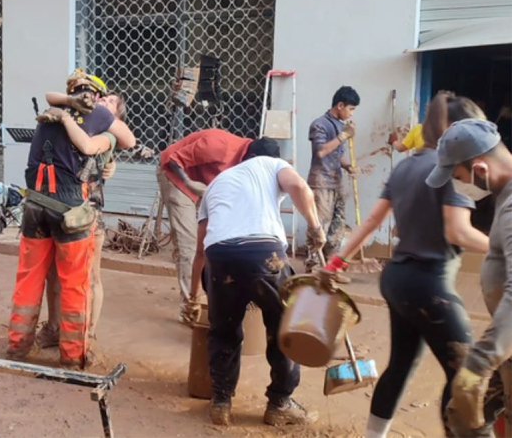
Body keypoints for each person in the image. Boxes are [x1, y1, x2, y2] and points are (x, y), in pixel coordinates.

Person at [321, 93, 492, 438]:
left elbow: (371, 221)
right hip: (430, 287)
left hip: (398, 280)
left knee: (401, 364)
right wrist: (500, 246)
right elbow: (457, 231)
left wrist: (335, 262)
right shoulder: (451, 169)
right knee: (464, 376)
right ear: (456, 131)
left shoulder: (406, 166)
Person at [188, 137, 325, 427]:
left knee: (223, 330)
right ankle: (279, 404)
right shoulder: (274, 164)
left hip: (220, 257)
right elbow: (300, 187)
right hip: (264, 254)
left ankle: (221, 403)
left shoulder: (218, 183)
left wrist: (192, 296)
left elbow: (200, 250)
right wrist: (315, 228)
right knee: (285, 327)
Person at [6, 71, 135, 368]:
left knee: (29, 279)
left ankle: (18, 346)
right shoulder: (98, 115)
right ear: (97, 95)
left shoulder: (53, 111)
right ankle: (73, 354)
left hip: (35, 205)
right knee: (76, 283)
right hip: (72, 212)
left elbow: (56, 100)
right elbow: (127, 139)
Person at [425, 118, 512, 438]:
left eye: (459, 177)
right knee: (463, 417)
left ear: (480, 169)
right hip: (506, 349)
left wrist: (478, 364)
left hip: (503, 347)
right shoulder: (504, 198)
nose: (458, 186)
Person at [34, 89, 127, 360]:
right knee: (54, 273)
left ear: (117, 115)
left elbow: (95, 148)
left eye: (111, 102)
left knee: (90, 277)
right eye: (103, 98)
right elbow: (53, 97)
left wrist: (64, 118)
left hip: (88, 214)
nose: (102, 102)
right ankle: (54, 326)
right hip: (57, 207)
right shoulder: (79, 122)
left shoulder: (108, 134)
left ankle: (89, 334)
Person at [156, 129, 253, 325]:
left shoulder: (248, 165)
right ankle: (189, 305)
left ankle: (211, 295)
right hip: (176, 178)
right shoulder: (220, 146)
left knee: (214, 242)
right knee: (189, 245)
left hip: (206, 186)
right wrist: (189, 183)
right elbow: (173, 160)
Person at [304, 86, 360, 278]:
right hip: (321, 183)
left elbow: (338, 154)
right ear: (340, 105)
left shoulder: (339, 125)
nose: (351, 113)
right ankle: (312, 269)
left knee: (337, 229)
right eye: (351, 109)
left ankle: (331, 269)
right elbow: (321, 151)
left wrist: (348, 167)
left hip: (336, 182)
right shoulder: (319, 124)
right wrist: (343, 135)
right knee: (319, 227)